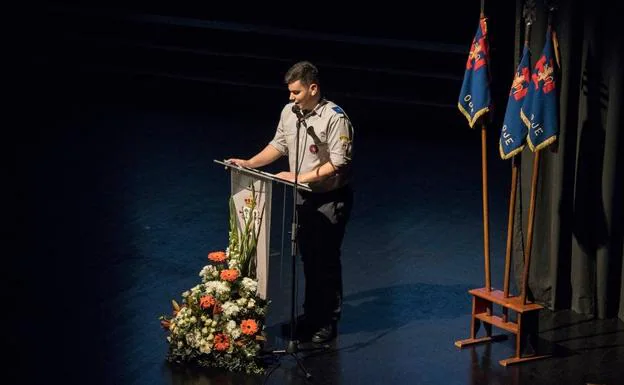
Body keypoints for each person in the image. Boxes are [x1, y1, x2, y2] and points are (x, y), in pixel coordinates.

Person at [227, 61, 354, 344]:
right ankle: (310, 317)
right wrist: (249, 163)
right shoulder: (290, 113)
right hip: (303, 195)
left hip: (330, 198)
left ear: (313, 88)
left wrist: (300, 176)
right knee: (308, 258)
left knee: (326, 261)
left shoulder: (335, 118)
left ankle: (327, 322)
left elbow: (339, 163)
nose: (290, 97)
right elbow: (279, 145)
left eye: (295, 92)